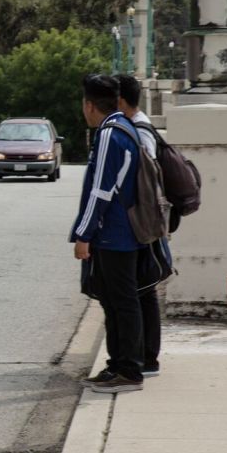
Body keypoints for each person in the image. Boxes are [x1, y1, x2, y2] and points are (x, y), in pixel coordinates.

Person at [71, 74, 145, 393]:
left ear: (89, 105)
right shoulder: (126, 129)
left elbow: (100, 191)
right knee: (117, 301)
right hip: (125, 232)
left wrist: (83, 234)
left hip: (113, 234)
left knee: (121, 302)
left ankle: (128, 369)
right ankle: (118, 365)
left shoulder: (108, 135)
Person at [116, 74, 163, 377]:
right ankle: (145, 356)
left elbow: (143, 180)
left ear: (120, 100)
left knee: (142, 290)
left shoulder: (139, 131)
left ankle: (147, 358)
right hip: (144, 221)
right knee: (144, 289)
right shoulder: (141, 126)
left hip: (141, 222)